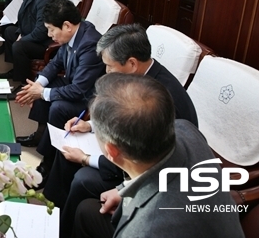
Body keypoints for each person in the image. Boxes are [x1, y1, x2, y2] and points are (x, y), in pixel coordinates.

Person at [44, 23, 198, 238]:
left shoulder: (160, 99)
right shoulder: (141, 77)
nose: (106, 72)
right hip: (137, 153)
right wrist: (89, 125)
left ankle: (65, 229)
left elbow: (147, 161)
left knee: (83, 179)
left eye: (109, 66)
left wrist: (87, 159)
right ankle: (53, 211)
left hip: (157, 174)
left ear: (132, 63)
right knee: (69, 147)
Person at [73, 73, 245, 238]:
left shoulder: (145, 230)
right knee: (86, 211)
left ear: (112, 151)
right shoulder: (186, 129)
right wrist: (122, 191)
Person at [14, 0, 105, 187]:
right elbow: (56, 63)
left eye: (51, 30)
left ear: (67, 26)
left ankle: (48, 162)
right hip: (73, 83)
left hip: (88, 97)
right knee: (41, 89)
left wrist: (42, 92)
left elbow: (79, 90)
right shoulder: (73, 33)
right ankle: (41, 134)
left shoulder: (90, 44)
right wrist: (37, 86)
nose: (49, 34)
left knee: (57, 106)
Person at [0, 0, 58, 95]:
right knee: (9, 31)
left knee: (19, 46)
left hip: (45, 43)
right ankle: (16, 68)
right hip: (31, 34)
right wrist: (20, 32)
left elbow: (42, 31)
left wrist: (23, 38)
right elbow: (25, 18)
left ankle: (24, 83)